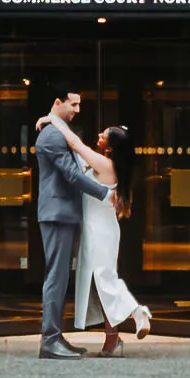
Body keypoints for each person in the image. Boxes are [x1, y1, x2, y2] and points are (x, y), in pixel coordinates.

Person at [38, 109, 153, 355]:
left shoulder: (103, 163)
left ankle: (137, 312)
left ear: (110, 146)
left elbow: (74, 143)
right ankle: (113, 342)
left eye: (104, 135)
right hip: (94, 230)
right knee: (100, 285)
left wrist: (52, 119)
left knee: (106, 280)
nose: (99, 134)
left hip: (101, 231)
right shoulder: (107, 163)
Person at [33, 87, 113, 360]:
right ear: (58, 102)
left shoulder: (56, 131)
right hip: (57, 214)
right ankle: (50, 341)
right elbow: (71, 174)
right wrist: (106, 193)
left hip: (61, 213)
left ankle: (55, 337)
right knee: (56, 277)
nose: (78, 110)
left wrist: (51, 119)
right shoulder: (52, 136)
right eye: (74, 104)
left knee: (60, 276)